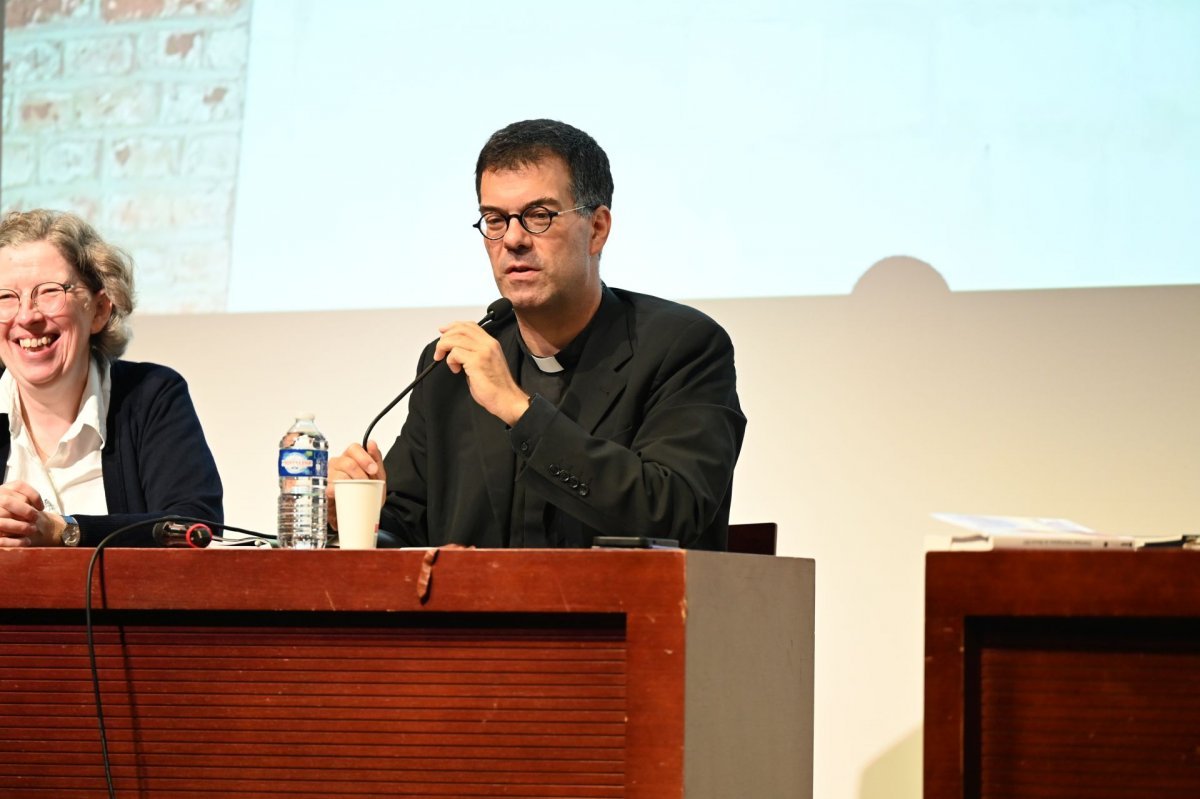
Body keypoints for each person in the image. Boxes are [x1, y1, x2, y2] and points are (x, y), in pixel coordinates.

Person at [329, 119, 745, 550]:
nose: (512, 239)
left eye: (538, 216)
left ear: (597, 229)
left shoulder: (683, 348)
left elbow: (672, 512)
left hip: (621, 615)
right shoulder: (451, 366)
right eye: (494, 219)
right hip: (475, 615)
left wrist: (518, 410)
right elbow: (405, 524)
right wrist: (357, 516)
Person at [0, 209, 222, 547]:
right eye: (6, 297)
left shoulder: (151, 396)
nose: (27, 316)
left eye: (48, 292)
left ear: (100, 310)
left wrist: (64, 531)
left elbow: (194, 526)